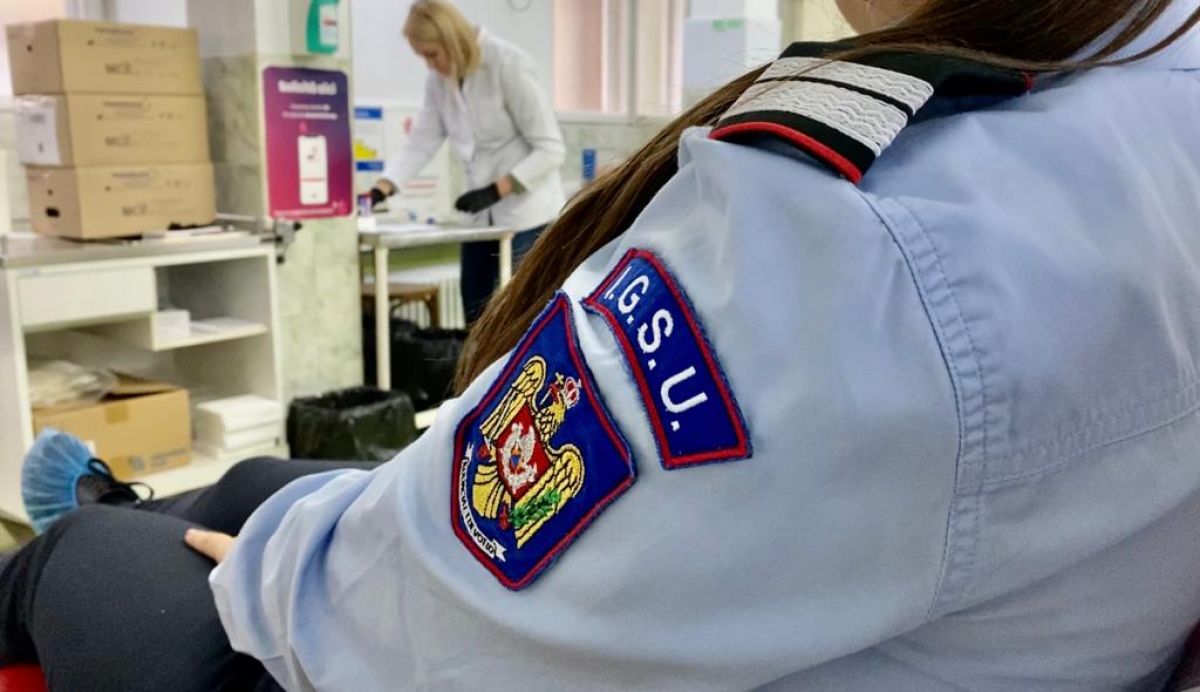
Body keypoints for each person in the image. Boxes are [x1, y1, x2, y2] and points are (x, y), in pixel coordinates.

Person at [4, 0, 1200, 689]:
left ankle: (99, 515)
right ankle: (169, 497)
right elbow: (427, 147)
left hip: (447, 620)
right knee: (259, 475)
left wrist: (282, 560)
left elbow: (396, 624)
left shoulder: (861, 246)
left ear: (445, 37)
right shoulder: (1155, 82)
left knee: (81, 556)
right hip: (927, 593)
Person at [366, 0, 566, 326]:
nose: (430, 65)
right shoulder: (439, 81)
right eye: (423, 57)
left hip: (527, 216)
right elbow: (421, 141)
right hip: (480, 219)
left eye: (432, 54)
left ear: (451, 39)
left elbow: (551, 149)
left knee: (520, 319)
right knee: (474, 312)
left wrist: (498, 189)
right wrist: (382, 189)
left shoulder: (508, 64)